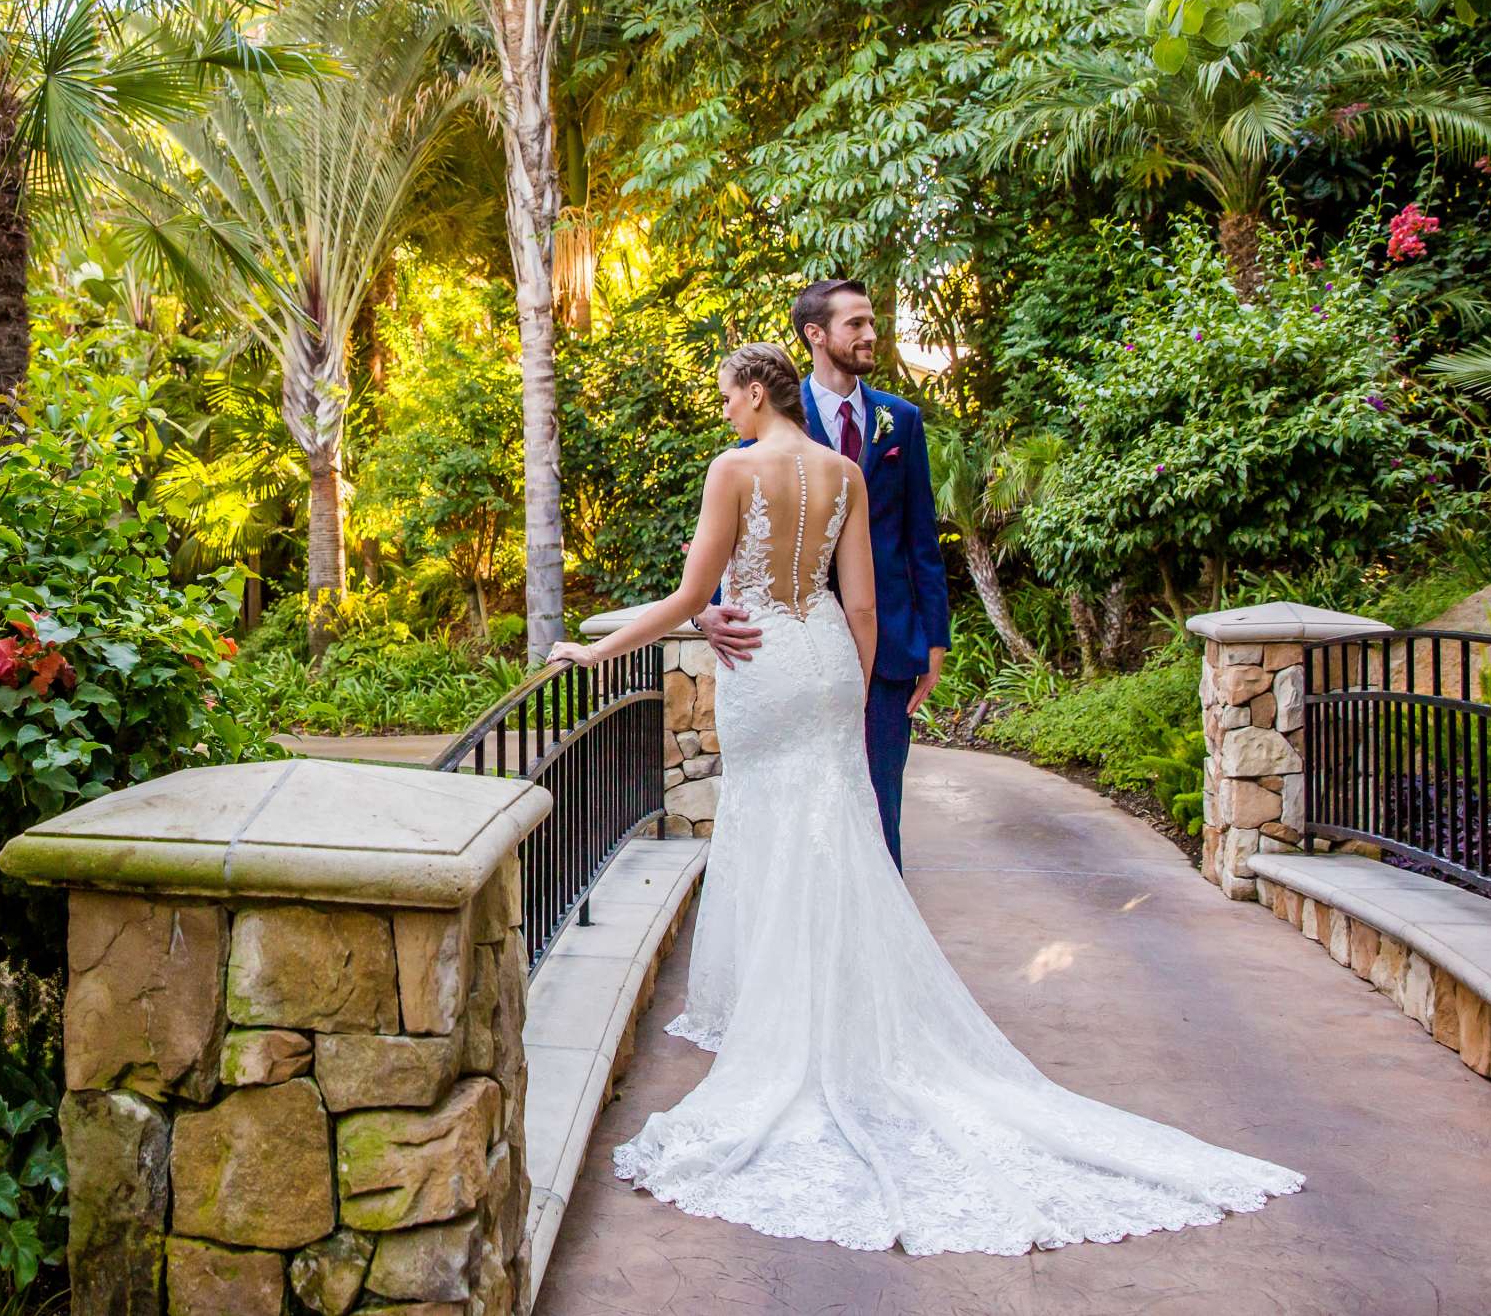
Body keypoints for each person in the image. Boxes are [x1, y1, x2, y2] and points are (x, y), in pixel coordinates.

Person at [546, 343, 1302, 1255]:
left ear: (754, 392)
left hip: (762, 670)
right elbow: (861, 606)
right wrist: (848, 685)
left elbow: (691, 593)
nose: (724, 414)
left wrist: (593, 650)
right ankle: (839, 1009)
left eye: (726, 398)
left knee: (774, 834)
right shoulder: (844, 473)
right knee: (840, 835)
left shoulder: (733, 469)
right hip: (823, 662)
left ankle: (786, 1021)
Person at [696, 278, 945, 870]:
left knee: (875, 806)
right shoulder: (773, 413)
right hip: (784, 649)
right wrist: (706, 608)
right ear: (816, 334)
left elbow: (920, 538)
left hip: (882, 646)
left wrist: (935, 638)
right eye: (854, 324)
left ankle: (875, 943)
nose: (869, 334)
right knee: (798, 817)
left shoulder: (900, 420)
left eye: (870, 322)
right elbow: (733, 531)